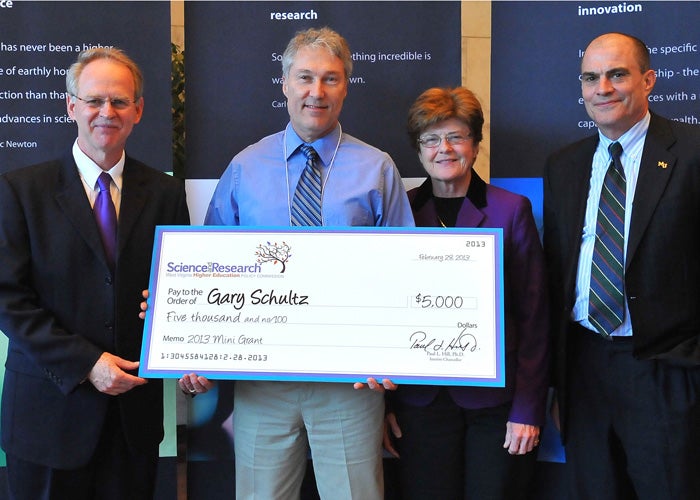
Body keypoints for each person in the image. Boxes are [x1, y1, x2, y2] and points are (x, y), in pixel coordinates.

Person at [178, 27, 414, 500]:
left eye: (331, 79)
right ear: (284, 83)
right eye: (305, 77)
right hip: (263, 382)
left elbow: (405, 273)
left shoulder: (378, 168)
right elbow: (210, 269)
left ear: (346, 85)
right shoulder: (245, 166)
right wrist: (196, 349)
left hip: (352, 384)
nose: (316, 91)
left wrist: (396, 356)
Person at [0, 48, 190, 499]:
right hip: (48, 418)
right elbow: (8, 299)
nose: (107, 112)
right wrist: (87, 364)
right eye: (94, 100)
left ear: (139, 110)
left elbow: (180, 289)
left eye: (121, 102)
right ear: (71, 106)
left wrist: (192, 352)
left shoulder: (165, 192)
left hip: (133, 422)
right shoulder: (20, 191)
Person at [543, 32, 700, 500]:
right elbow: (556, 274)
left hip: (666, 370)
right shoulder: (564, 165)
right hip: (584, 370)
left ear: (648, 80)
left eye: (617, 74)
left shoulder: (691, 153)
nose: (603, 88)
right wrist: (558, 383)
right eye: (591, 78)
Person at [381, 86, 549, 499]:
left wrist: (528, 408)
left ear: (475, 144)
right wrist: (382, 408)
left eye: (456, 136)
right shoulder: (400, 212)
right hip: (419, 405)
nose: (444, 149)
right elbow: (384, 314)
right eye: (431, 139)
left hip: (495, 407)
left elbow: (534, 317)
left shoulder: (512, 210)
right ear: (418, 150)